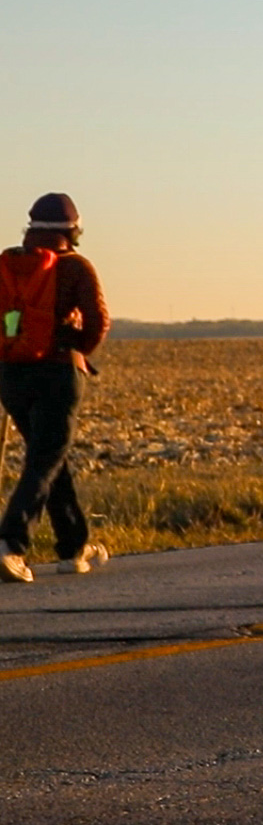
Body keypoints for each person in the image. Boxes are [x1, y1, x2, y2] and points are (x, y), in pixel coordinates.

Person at [0, 194, 111, 584]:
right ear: (72, 231)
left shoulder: (9, 263)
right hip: (58, 371)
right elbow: (99, 320)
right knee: (46, 458)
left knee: (49, 456)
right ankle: (10, 543)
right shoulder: (76, 267)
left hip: (11, 373)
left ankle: (73, 548)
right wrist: (78, 352)